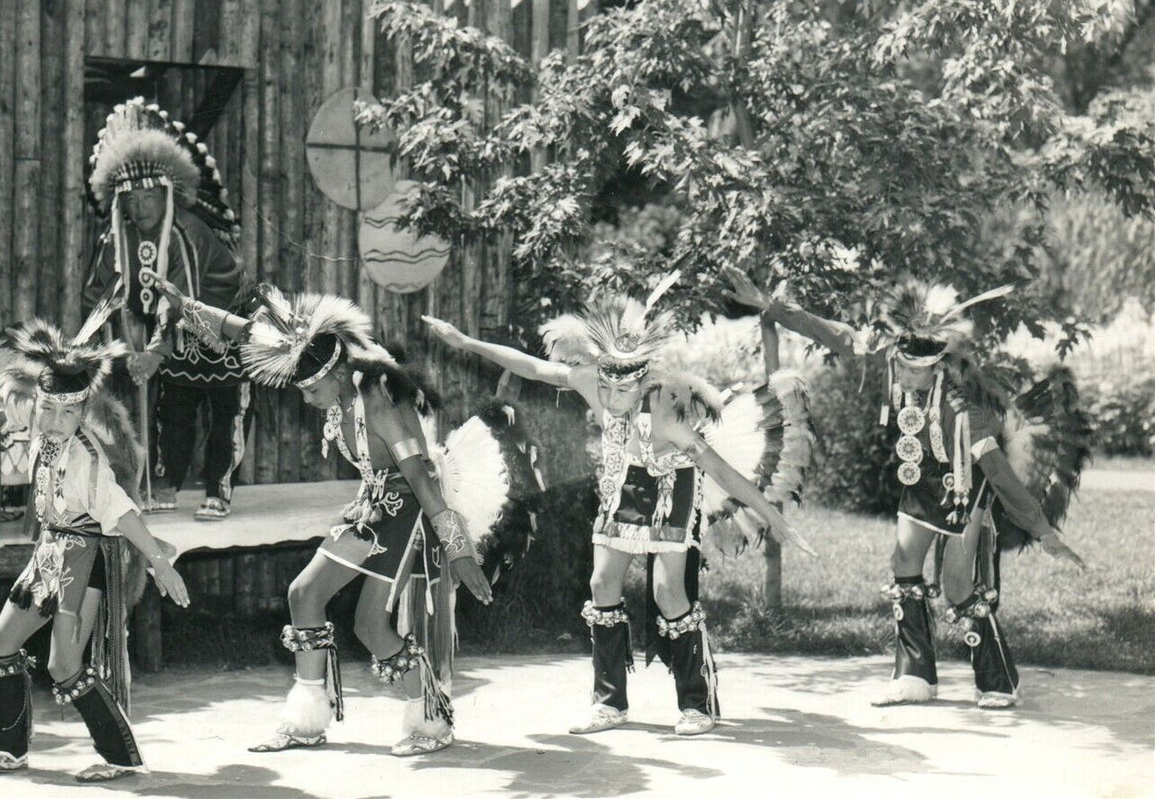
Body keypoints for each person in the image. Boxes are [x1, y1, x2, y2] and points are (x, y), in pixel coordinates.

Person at [151, 273, 538, 758]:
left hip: (411, 510)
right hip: (372, 503)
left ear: (336, 375)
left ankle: (431, 718)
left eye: (311, 390)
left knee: (370, 625)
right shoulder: (330, 366)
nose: (306, 399)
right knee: (304, 594)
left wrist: (457, 547)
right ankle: (306, 720)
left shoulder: (380, 399)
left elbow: (420, 476)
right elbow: (253, 333)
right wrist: (187, 306)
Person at [423, 283, 816, 737]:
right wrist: (465, 342)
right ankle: (609, 702)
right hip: (624, 485)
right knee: (602, 584)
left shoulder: (665, 411)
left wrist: (772, 516)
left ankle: (697, 703)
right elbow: (533, 367)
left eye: (621, 390)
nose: (610, 398)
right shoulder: (592, 380)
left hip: (673, 487)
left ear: (644, 383)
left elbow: (721, 471)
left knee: (669, 593)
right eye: (605, 387)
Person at [721, 266, 1087, 708]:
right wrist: (770, 306)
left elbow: (999, 474)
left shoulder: (962, 413)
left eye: (916, 371)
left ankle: (998, 681)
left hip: (965, 484)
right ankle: (915, 677)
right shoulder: (891, 363)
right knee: (904, 563)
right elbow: (837, 335)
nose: (905, 376)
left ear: (937, 367)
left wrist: (1043, 531)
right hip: (922, 480)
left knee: (957, 586)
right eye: (902, 366)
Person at [0, 321, 190, 783]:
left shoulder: (86, 460)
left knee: (64, 665)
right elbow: (4, 386)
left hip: (84, 559)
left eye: (68, 411)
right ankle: (6, 750)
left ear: (82, 411)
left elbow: (121, 513)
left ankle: (119, 757)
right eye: (48, 409)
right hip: (49, 553)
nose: (56, 420)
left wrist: (160, 564)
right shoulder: (39, 426)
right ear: (38, 404)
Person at [84, 97, 249, 520]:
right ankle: (167, 484)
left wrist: (154, 354)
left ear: (167, 194)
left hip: (222, 326)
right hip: (177, 337)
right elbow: (99, 297)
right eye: (131, 198)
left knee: (224, 411)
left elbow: (181, 303)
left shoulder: (184, 233)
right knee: (174, 410)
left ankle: (218, 490)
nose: (139, 206)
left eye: (148, 196)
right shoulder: (116, 239)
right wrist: (103, 348)